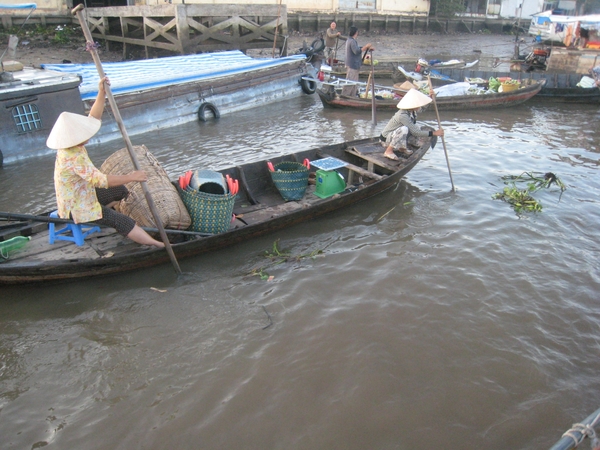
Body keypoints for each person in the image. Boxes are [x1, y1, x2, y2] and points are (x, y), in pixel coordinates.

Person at [46, 77, 165, 248]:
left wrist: (101, 92)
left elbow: (93, 117)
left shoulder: (71, 146)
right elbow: (102, 181)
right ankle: (157, 244)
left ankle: (105, 214)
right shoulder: (72, 156)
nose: (86, 137)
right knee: (124, 222)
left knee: (120, 190)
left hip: (82, 193)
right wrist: (132, 176)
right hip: (76, 207)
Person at [380, 89, 444, 161]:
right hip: (386, 140)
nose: (419, 106)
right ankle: (388, 151)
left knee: (412, 128)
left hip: (394, 135)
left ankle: (402, 147)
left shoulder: (411, 111)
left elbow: (422, 109)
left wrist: (430, 98)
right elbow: (415, 132)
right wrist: (434, 133)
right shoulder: (403, 115)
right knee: (404, 129)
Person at [341, 26, 373, 97]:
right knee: (350, 81)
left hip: (353, 64)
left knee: (354, 82)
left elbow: (357, 49)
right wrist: (366, 46)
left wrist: (366, 48)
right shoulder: (351, 41)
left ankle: (352, 96)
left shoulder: (350, 40)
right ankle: (345, 96)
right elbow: (356, 51)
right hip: (352, 65)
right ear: (355, 33)